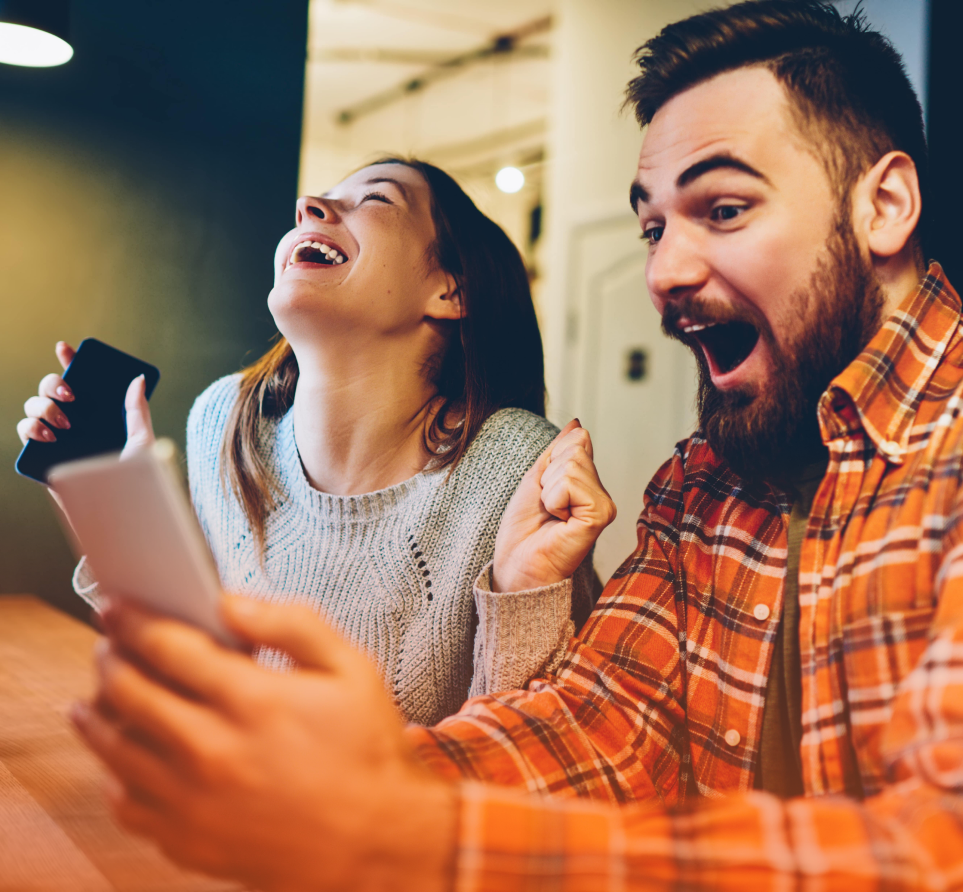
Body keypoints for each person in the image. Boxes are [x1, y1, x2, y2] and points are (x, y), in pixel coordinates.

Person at [71, 3, 963, 890]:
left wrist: (399, 835)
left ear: (882, 204)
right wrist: (338, 781)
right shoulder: (706, 487)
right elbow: (595, 728)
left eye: (721, 208)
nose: (659, 270)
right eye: (653, 224)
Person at [19, 157, 600, 726]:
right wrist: (117, 521)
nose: (308, 207)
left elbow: (525, 749)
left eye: (375, 198)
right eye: (316, 201)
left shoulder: (517, 468)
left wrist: (527, 597)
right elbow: (193, 684)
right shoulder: (225, 421)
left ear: (450, 291)